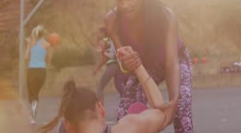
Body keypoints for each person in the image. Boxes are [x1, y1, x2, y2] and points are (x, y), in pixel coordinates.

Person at [104, 0, 193, 132]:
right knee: (125, 113)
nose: (125, 5)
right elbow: (124, 65)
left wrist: (173, 101)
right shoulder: (111, 20)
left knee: (181, 109)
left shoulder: (166, 15)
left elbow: (171, 62)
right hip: (144, 65)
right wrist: (129, 62)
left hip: (175, 60)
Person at [39, 46, 171, 133]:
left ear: (68, 126)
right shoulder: (130, 127)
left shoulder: (64, 127)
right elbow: (161, 113)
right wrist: (137, 65)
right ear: (101, 109)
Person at [25, 25, 53, 124]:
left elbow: (26, 56)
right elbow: (49, 60)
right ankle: (33, 109)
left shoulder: (31, 43)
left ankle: (33, 111)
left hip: (32, 69)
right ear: (43, 34)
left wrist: (33, 54)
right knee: (36, 92)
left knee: (31, 93)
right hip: (42, 70)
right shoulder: (47, 45)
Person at [92, 27, 124, 103]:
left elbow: (105, 58)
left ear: (103, 33)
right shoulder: (110, 40)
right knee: (118, 84)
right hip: (119, 65)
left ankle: (101, 108)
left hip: (112, 65)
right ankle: (127, 102)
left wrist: (97, 68)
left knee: (100, 86)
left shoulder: (103, 41)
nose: (97, 34)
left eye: (98, 33)